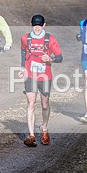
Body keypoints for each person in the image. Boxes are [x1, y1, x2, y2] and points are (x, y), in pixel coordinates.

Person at [19, 14, 62, 147]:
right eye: (34, 25)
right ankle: (31, 135)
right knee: (31, 103)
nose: (37, 28)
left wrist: (50, 59)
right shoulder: (25, 38)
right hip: (30, 74)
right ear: (31, 25)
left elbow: (60, 57)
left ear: (44, 25)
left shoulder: (50, 39)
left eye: (39, 25)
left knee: (44, 104)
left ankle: (44, 128)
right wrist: (22, 69)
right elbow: (23, 54)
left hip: (45, 76)